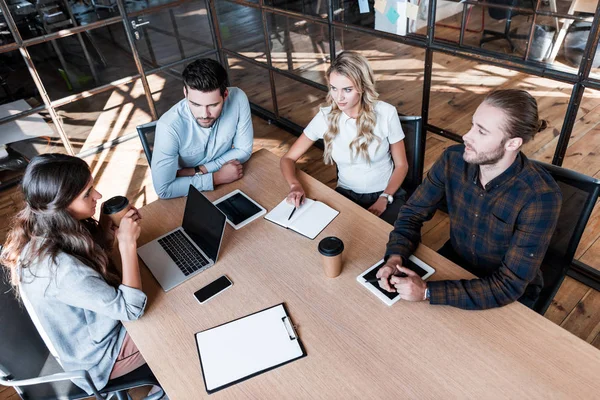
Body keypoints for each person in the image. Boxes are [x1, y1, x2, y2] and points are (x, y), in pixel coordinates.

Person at [376, 89, 562, 310]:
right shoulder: (452, 159)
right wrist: (395, 256)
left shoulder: (540, 198)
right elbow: (412, 213)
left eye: (481, 132)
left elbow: (509, 285)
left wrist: (427, 292)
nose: (466, 136)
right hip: (454, 262)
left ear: (512, 143)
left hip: (508, 292)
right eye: (473, 125)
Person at [0, 154, 156, 395]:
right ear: (60, 206)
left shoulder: (41, 228)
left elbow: (84, 272)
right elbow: (130, 309)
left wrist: (104, 231)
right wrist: (127, 246)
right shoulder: (59, 270)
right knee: (174, 315)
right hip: (101, 359)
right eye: (87, 194)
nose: (98, 196)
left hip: (86, 338)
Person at [280, 51, 409, 224]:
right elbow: (288, 158)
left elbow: (401, 165)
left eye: (347, 90)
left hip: (387, 193)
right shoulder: (325, 118)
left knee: (391, 241)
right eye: (334, 88)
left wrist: (385, 197)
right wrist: (295, 185)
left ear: (362, 87)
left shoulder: (386, 113)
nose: (338, 97)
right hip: (346, 194)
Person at [152, 58, 253, 199]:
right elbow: (164, 189)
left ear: (225, 95)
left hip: (226, 183)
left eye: (213, 105)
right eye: (196, 104)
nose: (204, 114)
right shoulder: (168, 127)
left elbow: (243, 150)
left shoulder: (238, 98)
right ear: (185, 93)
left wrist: (199, 170)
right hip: (185, 195)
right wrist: (216, 178)